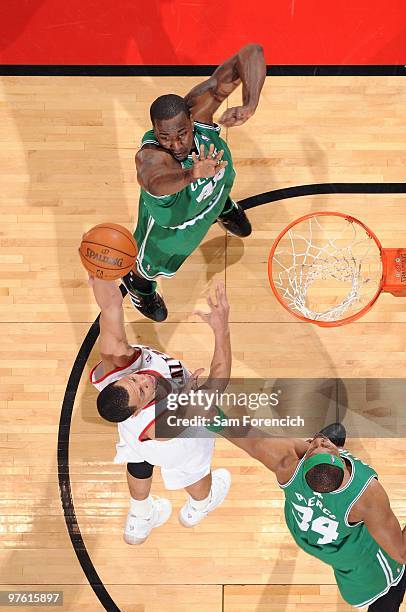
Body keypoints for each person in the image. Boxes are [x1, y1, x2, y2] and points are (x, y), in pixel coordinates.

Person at [183, 300, 406, 611]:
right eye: (320, 444)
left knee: (328, 431)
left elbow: (225, 424)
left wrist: (199, 397)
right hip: (355, 558)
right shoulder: (367, 496)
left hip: (309, 533)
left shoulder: (286, 462)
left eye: (319, 444)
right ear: (341, 462)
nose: (321, 440)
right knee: (392, 583)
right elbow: (401, 553)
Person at [122, 43, 266, 321]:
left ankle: (222, 208)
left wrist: (250, 104)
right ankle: (140, 287)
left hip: (212, 188)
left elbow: (252, 54)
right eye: (165, 137)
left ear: (190, 119)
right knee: (148, 264)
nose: (174, 144)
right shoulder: (151, 156)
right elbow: (154, 183)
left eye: (181, 134)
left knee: (218, 185)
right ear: (154, 131)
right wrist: (192, 174)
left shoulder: (199, 111)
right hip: (173, 228)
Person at [89, 275, 232, 544]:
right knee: (193, 472)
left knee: (137, 458)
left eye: (133, 380)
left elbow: (110, 307)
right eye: (142, 390)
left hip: (137, 436)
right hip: (177, 444)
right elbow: (219, 380)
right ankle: (200, 506)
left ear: (118, 378)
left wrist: (101, 273)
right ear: (137, 410)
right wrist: (221, 329)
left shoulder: (117, 360)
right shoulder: (171, 419)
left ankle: (140, 515)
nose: (143, 380)